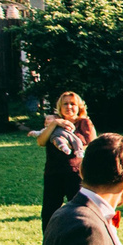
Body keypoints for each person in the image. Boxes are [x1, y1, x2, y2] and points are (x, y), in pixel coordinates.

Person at [33, 90, 91, 223]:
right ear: (60, 107)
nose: (69, 107)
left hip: (76, 172)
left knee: (79, 210)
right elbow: (41, 142)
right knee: (49, 211)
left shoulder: (84, 123)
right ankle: (49, 240)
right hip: (53, 172)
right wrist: (55, 124)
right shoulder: (53, 122)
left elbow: (91, 144)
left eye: (72, 104)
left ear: (79, 107)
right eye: (65, 104)